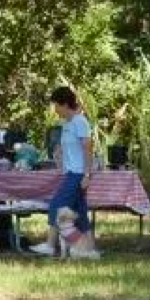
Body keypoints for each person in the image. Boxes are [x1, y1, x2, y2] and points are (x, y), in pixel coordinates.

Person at [29, 86, 95, 257]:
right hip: (70, 172)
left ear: (65, 104)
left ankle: (50, 245)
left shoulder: (80, 121)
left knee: (56, 206)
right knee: (79, 212)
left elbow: (88, 148)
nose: (55, 110)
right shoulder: (67, 124)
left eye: (56, 106)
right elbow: (68, 148)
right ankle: (89, 248)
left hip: (78, 174)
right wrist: (59, 153)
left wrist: (87, 175)